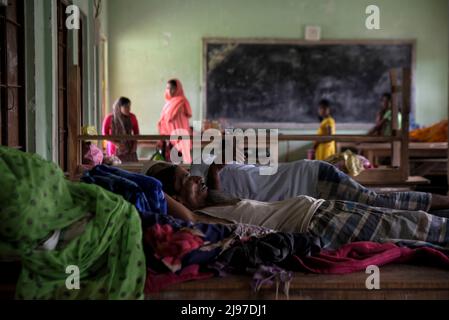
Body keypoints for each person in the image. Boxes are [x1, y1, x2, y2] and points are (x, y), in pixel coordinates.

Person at [147, 171, 449, 251]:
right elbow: (187, 215)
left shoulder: (216, 203)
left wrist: (208, 178)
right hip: (321, 223)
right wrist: (147, 185)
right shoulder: (200, 220)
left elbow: (209, 186)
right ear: (174, 198)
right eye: (184, 180)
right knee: (413, 227)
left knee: (405, 222)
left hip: (325, 210)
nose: (194, 178)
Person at [143, 159, 449, 212]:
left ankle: (443, 201)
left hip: (312, 179)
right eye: (185, 179)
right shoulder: (200, 187)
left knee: (380, 202)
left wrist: (212, 171)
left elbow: (216, 189)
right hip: (308, 197)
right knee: (379, 205)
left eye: (188, 175)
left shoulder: (202, 175)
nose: (192, 180)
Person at [158, 79, 193, 164]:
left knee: (182, 165)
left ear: (178, 89)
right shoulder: (167, 104)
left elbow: (182, 120)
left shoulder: (182, 101)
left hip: (180, 138)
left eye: (172, 88)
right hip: (168, 139)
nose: (169, 91)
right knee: (170, 165)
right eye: (167, 88)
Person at [102, 97, 140, 162]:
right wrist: (116, 144)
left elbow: (136, 133)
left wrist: (134, 145)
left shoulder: (132, 117)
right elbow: (104, 134)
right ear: (119, 107)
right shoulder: (110, 118)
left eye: (129, 106)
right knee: (115, 167)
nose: (129, 109)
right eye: (126, 107)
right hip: (114, 149)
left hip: (130, 149)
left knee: (130, 168)